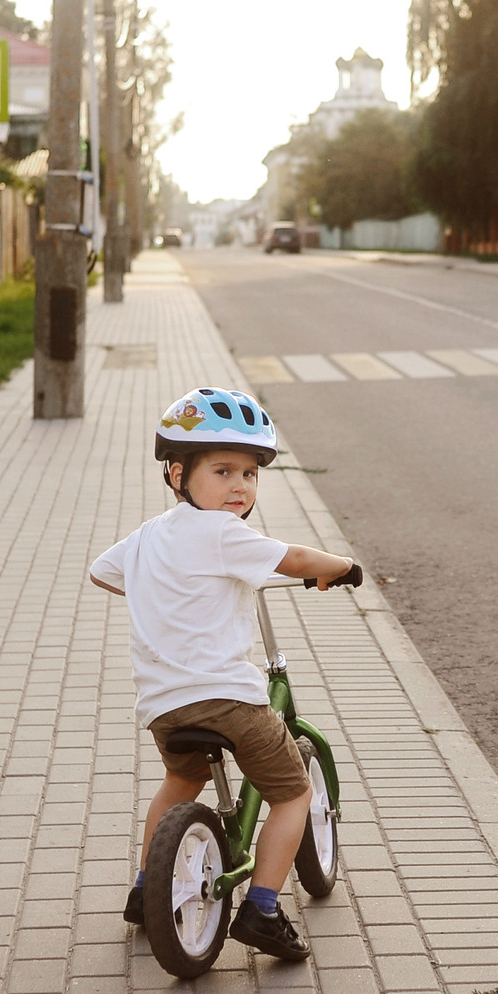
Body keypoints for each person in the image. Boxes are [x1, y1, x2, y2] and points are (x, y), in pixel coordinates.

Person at [89, 387, 357, 963]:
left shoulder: (147, 536)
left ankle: (145, 890)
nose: (240, 486)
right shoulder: (222, 533)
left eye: (251, 474)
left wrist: (165, 588)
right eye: (223, 471)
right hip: (228, 701)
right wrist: (345, 567)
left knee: (178, 784)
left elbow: (102, 573)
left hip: (163, 705)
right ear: (178, 473)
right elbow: (297, 562)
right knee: (292, 793)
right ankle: (262, 908)